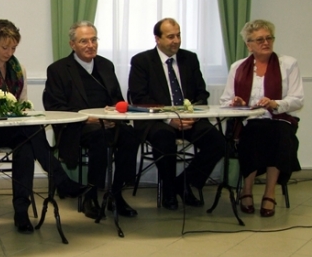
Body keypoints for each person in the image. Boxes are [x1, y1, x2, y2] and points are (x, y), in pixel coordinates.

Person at [0, 19, 87, 234]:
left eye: (13, 48)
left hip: (12, 130)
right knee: (30, 134)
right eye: (5, 47)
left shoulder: (18, 69)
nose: (9, 53)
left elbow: (23, 106)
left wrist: (18, 113)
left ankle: (21, 212)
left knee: (27, 144)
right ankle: (61, 180)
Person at [43, 20, 140, 219]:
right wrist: (89, 119)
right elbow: (55, 107)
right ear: (72, 44)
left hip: (108, 122)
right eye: (84, 41)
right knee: (100, 137)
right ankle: (91, 195)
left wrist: (114, 114)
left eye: (94, 40)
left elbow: (118, 100)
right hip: (79, 127)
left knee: (131, 135)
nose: (90, 45)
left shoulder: (106, 65)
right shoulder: (58, 69)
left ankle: (116, 193)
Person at [128, 18, 225, 210]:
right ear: (157, 39)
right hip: (156, 119)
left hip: (189, 118)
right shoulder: (142, 61)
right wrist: (168, 118)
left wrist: (193, 114)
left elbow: (201, 93)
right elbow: (139, 98)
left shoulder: (190, 58)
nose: (176, 41)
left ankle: (183, 182)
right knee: (164, 138)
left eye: (178, 35)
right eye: (170, 36)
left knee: (217, 142)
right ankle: (169, 191)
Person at [220, 20, 303, 217]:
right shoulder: (238, 67)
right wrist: (236, 102)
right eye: (259, 40)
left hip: (279, 120)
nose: (266, 43)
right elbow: (225, 100)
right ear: (249, 45)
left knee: (279, 134)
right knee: (252, 132)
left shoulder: (288, 64)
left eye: (269, 38)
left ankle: (269, 192)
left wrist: (275, 103)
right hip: (249, 122)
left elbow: (297, 100)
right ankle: (247, 190)